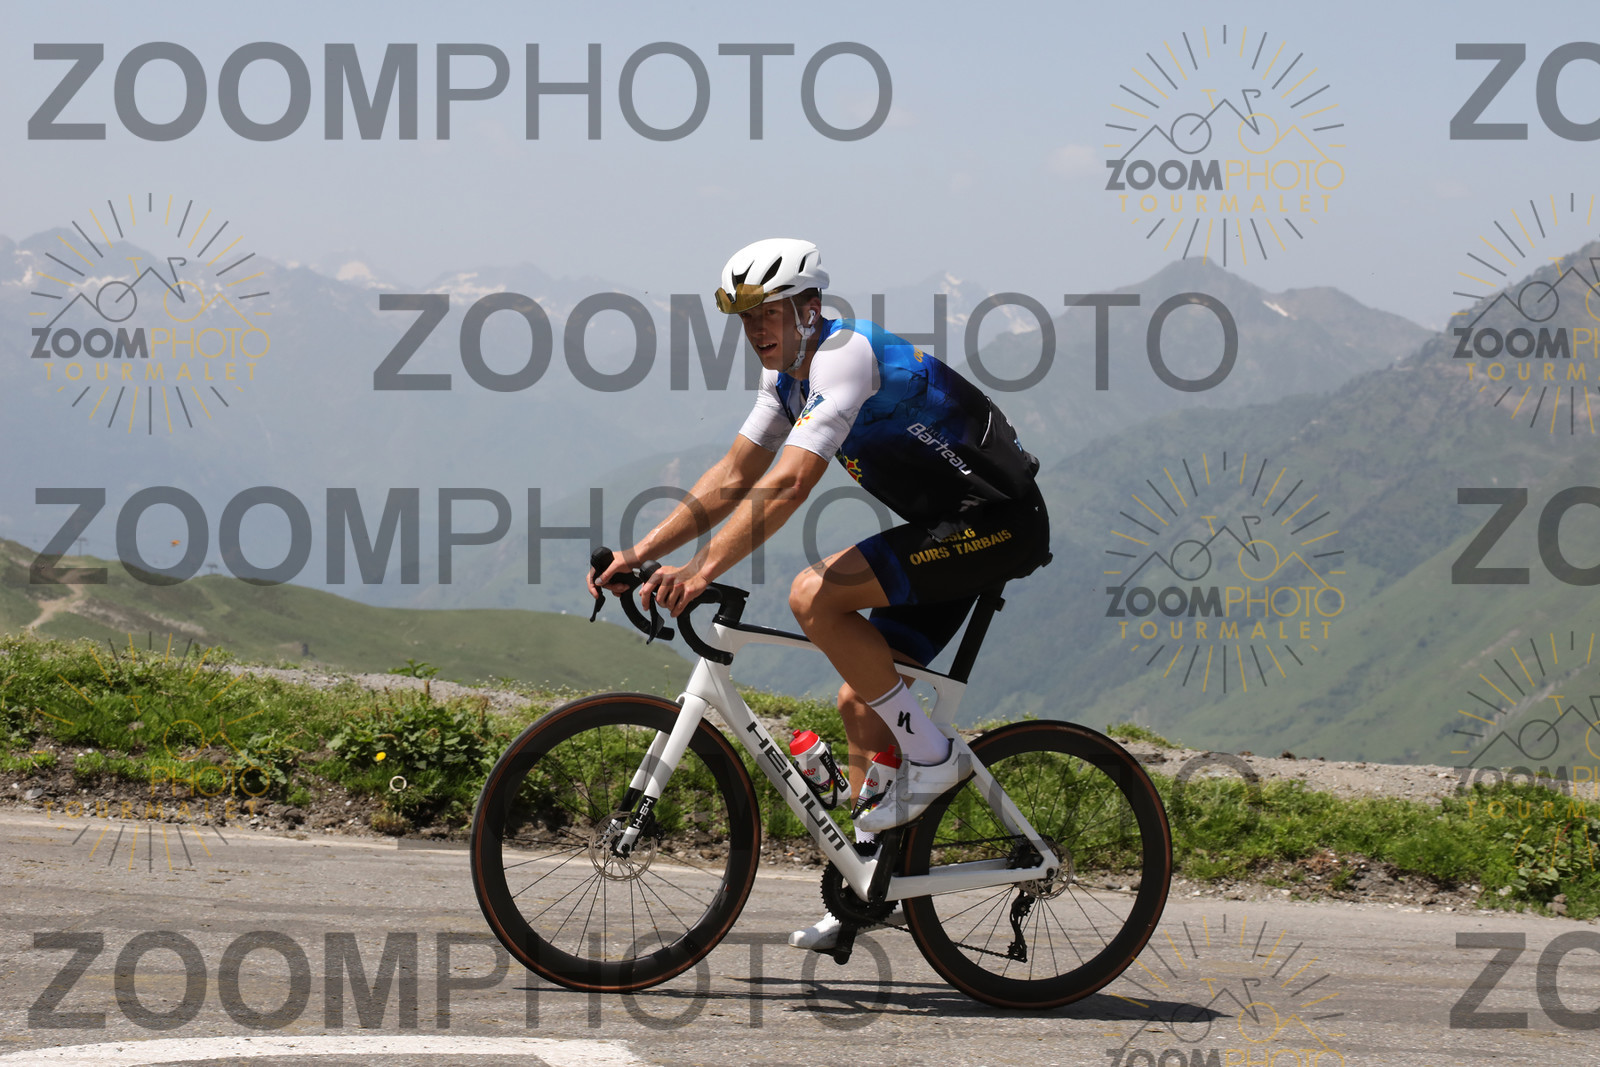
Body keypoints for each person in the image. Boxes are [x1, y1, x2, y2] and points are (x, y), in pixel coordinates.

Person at [587, 238, 1050, 951]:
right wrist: (641, 554)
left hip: (996, 525)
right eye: (745, 318)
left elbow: (787, 485)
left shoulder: (845, 357)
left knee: (814, 595)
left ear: (809, 308)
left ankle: (933, 757)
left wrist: (701, 570)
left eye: (767, 313)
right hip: (944, 530)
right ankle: (870, 885)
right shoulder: (784, 382)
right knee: (862, 703)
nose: (755, 330)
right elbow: (733, 476)